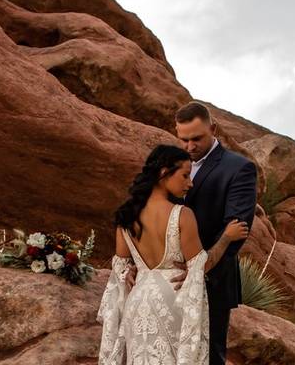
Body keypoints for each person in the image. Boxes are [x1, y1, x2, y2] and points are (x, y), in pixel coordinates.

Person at [121, 102, 258, 365]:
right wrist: (137, 263)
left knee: (207, 356)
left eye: (197, 138)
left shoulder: (238, 168)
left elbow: (237, 228)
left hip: (210, 281)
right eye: (183, 139)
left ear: (213, 129)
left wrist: (199, 270)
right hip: (160, 281)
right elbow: (148, 213)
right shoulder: (170, 163)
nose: (190, 146)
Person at [97, 144, 249, 364]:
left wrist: (133, 270)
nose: (191, 182)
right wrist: (227, 237)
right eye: (185, 175)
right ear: (163, 173)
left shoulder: (126, 217)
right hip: (172, 300)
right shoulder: (182, 215)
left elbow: (120, 267)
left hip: (138, 302)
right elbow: (200, 267)